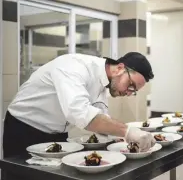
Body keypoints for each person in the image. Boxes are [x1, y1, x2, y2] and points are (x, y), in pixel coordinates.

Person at [3, 52, 156, 158]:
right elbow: (80, 113)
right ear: (120, 68)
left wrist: (117, 137)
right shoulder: (74, 67)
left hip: (57, 133)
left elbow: (100, 114)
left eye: (133, 90)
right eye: (130, 85)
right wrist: (127, 131)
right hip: (24, 128)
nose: (129, 92)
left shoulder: (104, 82)